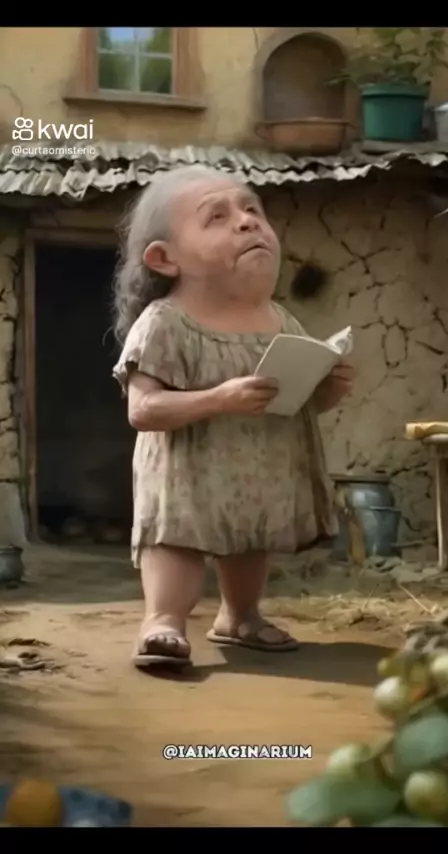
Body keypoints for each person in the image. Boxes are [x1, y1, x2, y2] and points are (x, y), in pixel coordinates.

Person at [112, 165, 354, 670]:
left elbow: (295, 401)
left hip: (254, 470)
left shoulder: (281, 320)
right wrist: (218, 398)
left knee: (249, 536)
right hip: (186, 474)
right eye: (216, 217)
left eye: (251, 209)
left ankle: (240, 615)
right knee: (177, 540)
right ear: (164, 258)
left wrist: (326, 386)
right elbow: (143, 409)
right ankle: (163, 620)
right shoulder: (166, 323)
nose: (246, 222)